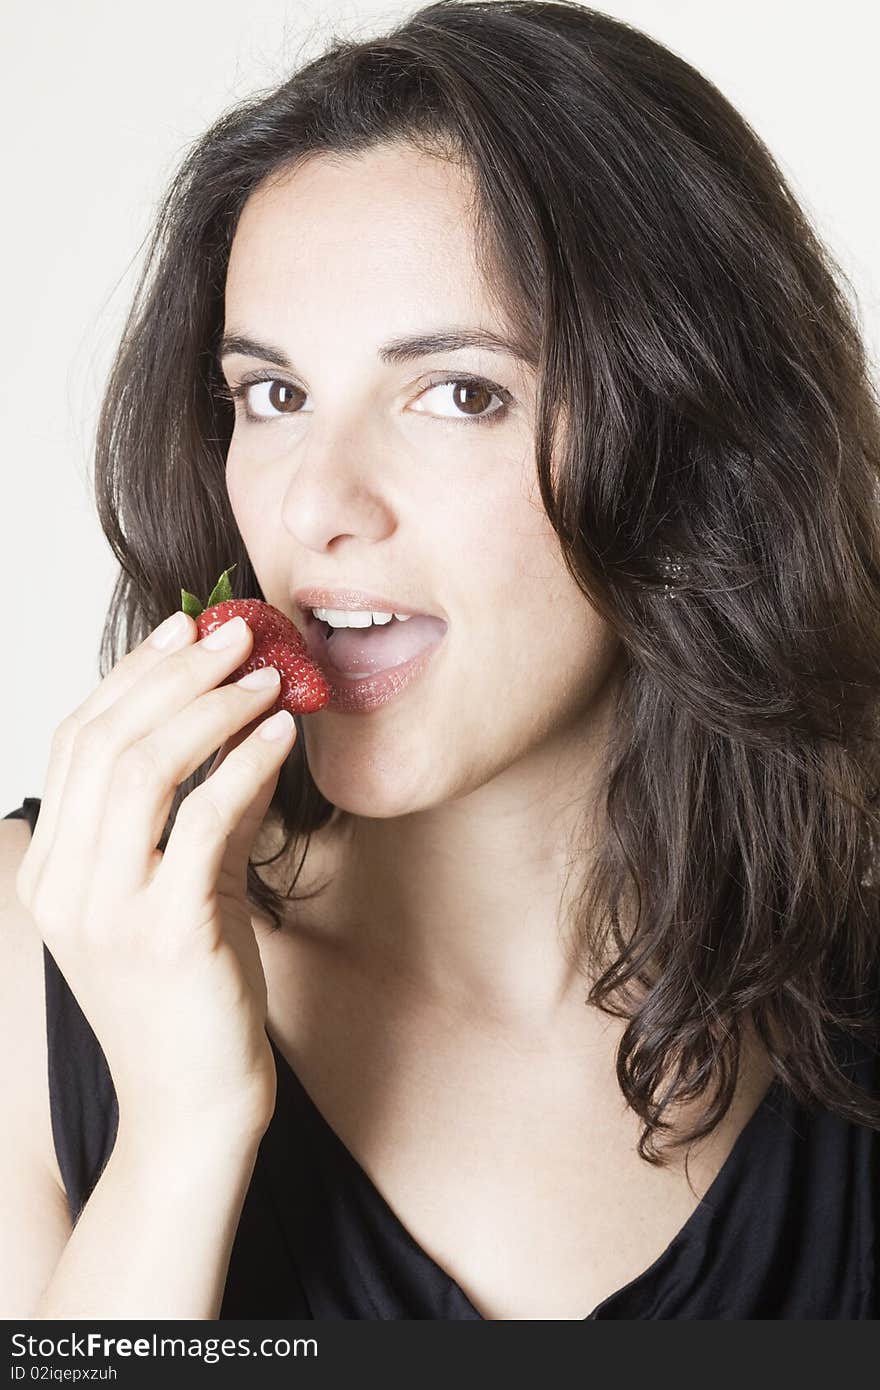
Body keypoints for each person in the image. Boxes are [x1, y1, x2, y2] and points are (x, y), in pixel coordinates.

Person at [2, 0, 879, 1321]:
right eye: (271, 395)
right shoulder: (38, 944)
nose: (312, 506)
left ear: (689, 449)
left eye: (456, 392)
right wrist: (179, 1133)